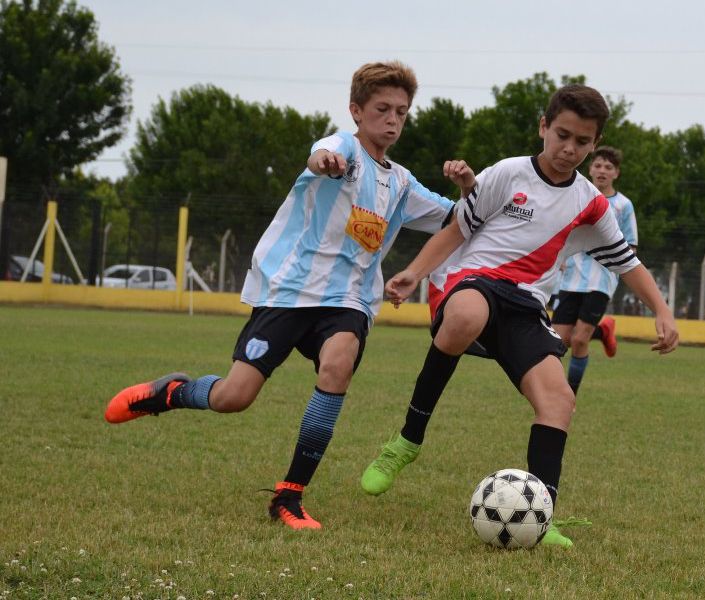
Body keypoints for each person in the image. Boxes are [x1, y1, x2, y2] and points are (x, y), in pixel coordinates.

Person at [103, 61, 474, 531]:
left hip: (349, 300)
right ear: (357, 111)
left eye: (401, 111)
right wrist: (323, 162)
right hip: (289, 290)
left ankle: (289, 496)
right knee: (234, 398)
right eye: (383, 108)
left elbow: (459, 219)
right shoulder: (343, 150)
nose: (393, 119)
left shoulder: (401, 183)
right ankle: (173, 393)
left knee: (338, 363)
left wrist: (469, 187)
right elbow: (320, 152)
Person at [359, 84, 678, 548]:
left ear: (594, 144)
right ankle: (406, 441)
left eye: (583, 142)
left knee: (559, 400)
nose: (569, 149)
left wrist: (663, 311)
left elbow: (626, 261)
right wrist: (414, 272)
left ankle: (541, 516)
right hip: (473, 281)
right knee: (466, 314)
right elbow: (456, 230)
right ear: (543, 127)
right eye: (562, 135)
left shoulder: (592, 202)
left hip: (527, 305)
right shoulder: (508, 173)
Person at [550, 146, 637, 395]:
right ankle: (603, 329)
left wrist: (615, 264)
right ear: (590, 168)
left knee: (579, 340)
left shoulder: (623, 206)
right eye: (598, 165)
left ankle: (568, 397)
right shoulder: (575, 196)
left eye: (608, 167)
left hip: (601, 280)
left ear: (616, 174)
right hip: (570, 278)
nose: (602, 171)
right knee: (560, 339)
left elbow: (631, 245)